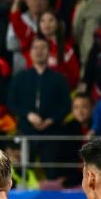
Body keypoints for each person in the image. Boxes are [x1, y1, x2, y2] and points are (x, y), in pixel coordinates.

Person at [8, 35, 71, 181]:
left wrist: (51, 120)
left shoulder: (59, 78)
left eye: (43, 48)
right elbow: (11, 102)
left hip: (51, 132)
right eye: (36, 48)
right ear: (30, 52)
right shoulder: (20, 77)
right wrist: (27, 114)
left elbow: (66, 105)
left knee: (52, 173)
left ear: (49, 51)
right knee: (22, 172)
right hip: (26, 130)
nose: (39, 51)